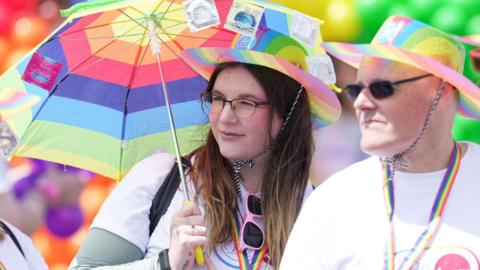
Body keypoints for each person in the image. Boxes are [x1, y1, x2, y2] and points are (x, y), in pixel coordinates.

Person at [69, 30, 341, 269]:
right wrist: (166, 263)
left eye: (246, 103)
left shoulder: (315, 206)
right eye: (218, 99)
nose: (224, 118)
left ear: (288, 114)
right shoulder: (162, 177)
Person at [281, 15, 480, 269]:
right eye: (356, 90)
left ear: (441, 92)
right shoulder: (333, 201)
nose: (361, 103)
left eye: (382, 88)